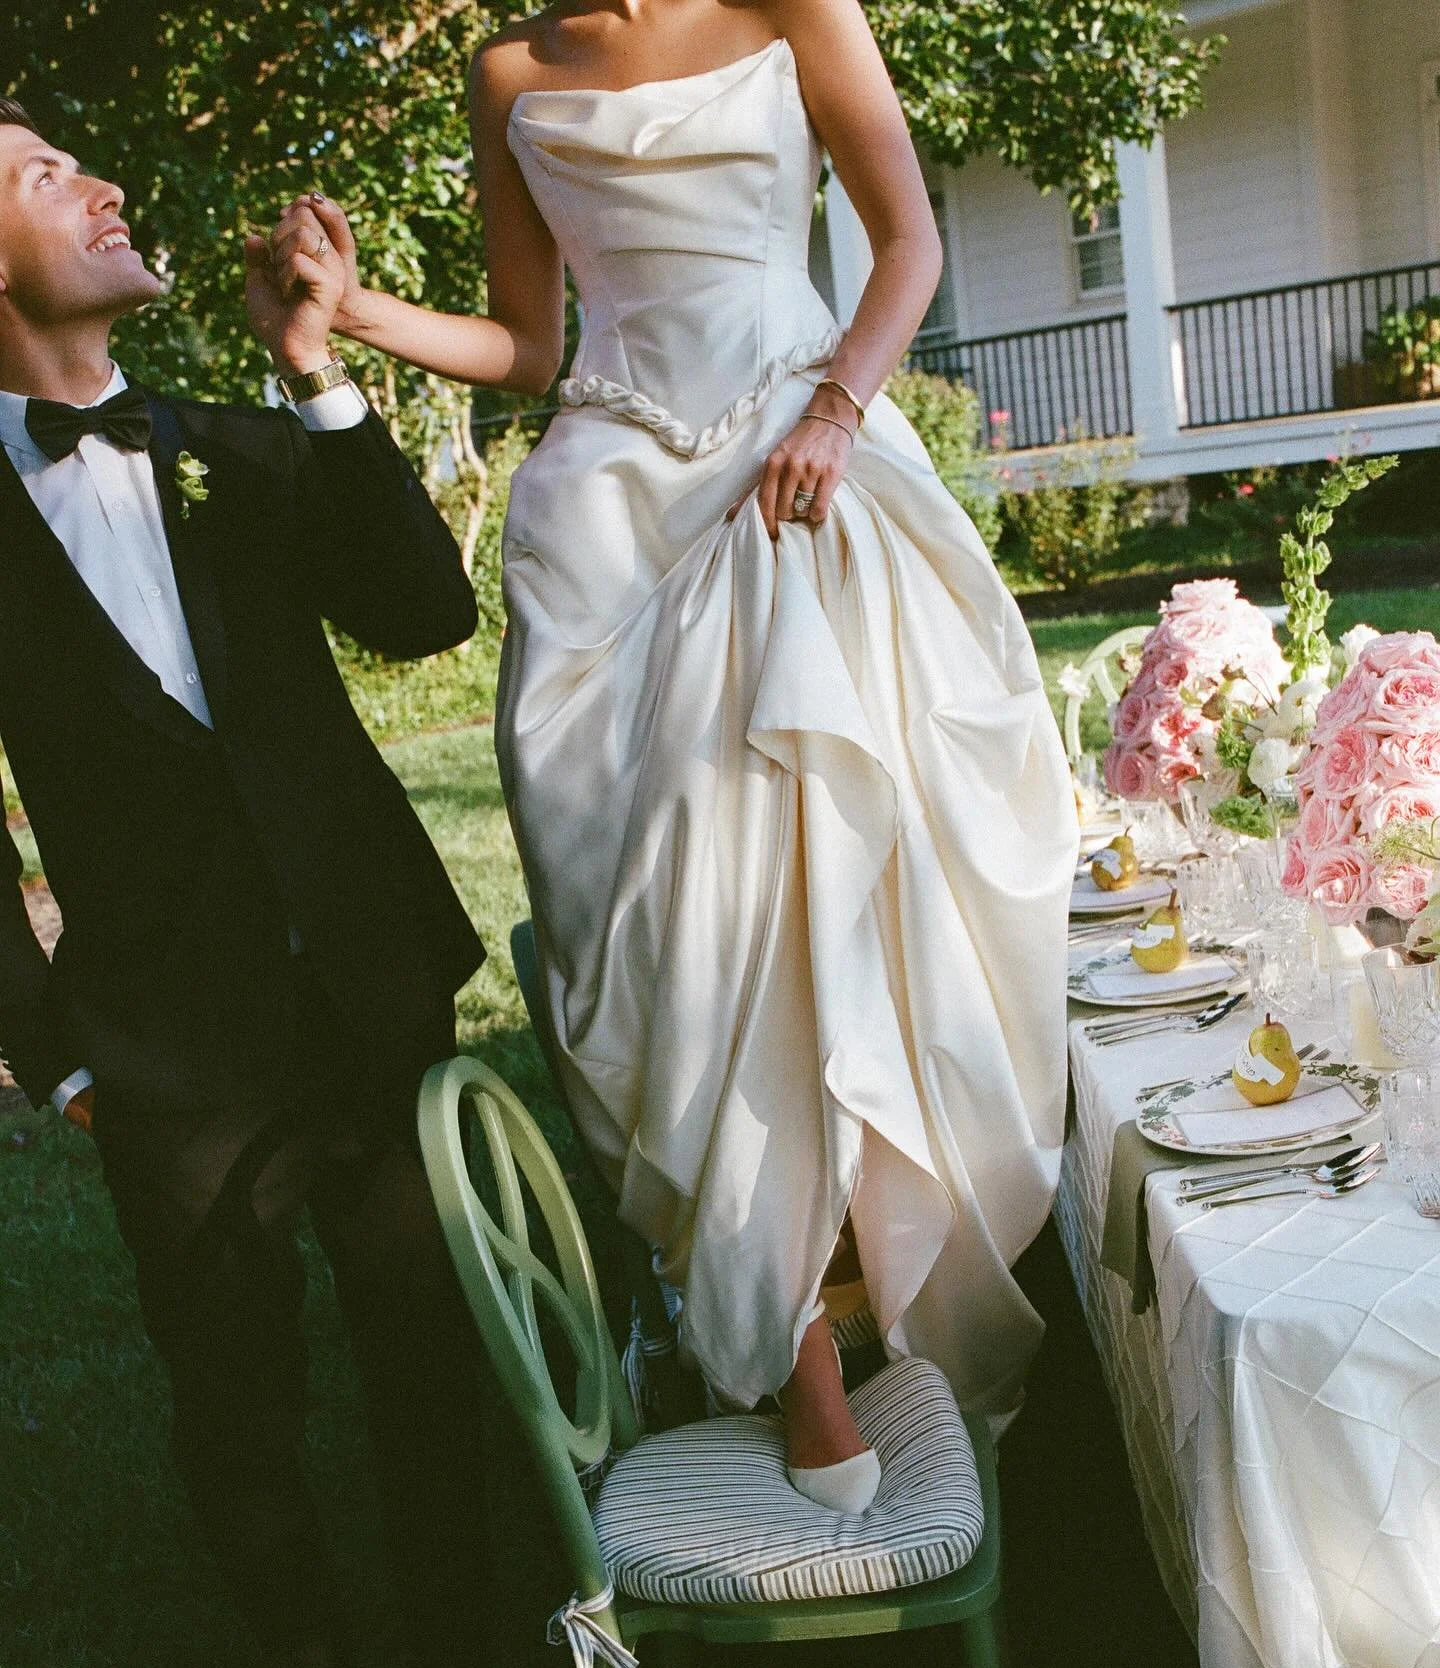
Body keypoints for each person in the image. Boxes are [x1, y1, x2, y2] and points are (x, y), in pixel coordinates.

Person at [292, 0, 1078, 1519]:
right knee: (661, 938)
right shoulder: (507, 70)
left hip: (798, 466)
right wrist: (354, 310)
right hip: (606, 523)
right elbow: (527, 344)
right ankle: (789, 1346)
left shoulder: (796, 7)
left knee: (835, 901)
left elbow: (906, 242)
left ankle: (877, 1314)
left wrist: (839, 410)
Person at [0, 96, 550, 1668]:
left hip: (362, 985)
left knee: (420, 1347)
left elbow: (425, 617)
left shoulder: (236, 442)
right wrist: (57, 1049)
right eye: (31, 172)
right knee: (235, 1395)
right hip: (168, 1036)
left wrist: (321, 371)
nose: (92, 179)